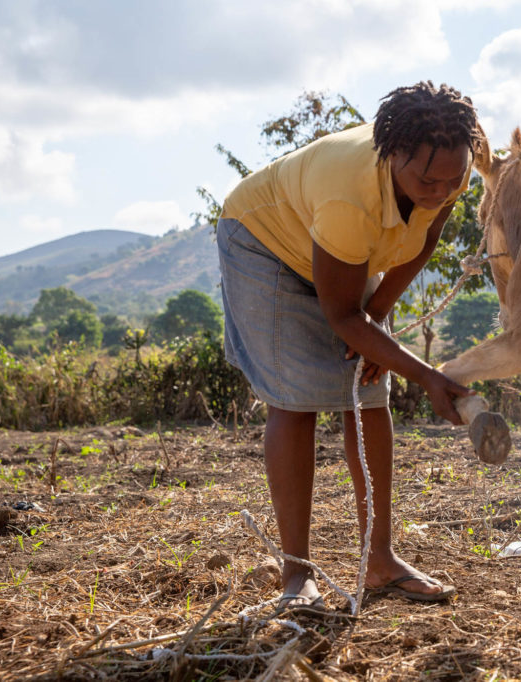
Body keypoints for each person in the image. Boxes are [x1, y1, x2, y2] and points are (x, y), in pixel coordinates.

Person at [216, 82, 480, 606]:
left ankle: (379, 561)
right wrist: (426, 375)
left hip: (339, 250)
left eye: (453, 180)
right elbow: (340, 313)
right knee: (296, 401)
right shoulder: (349, 195)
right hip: (265, 241)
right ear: (392, 154)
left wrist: (377, 317)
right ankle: (296, 573)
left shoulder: (450, 163)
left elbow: (424, 238)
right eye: (427, 179)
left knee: (367, 395)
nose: (440, 190)